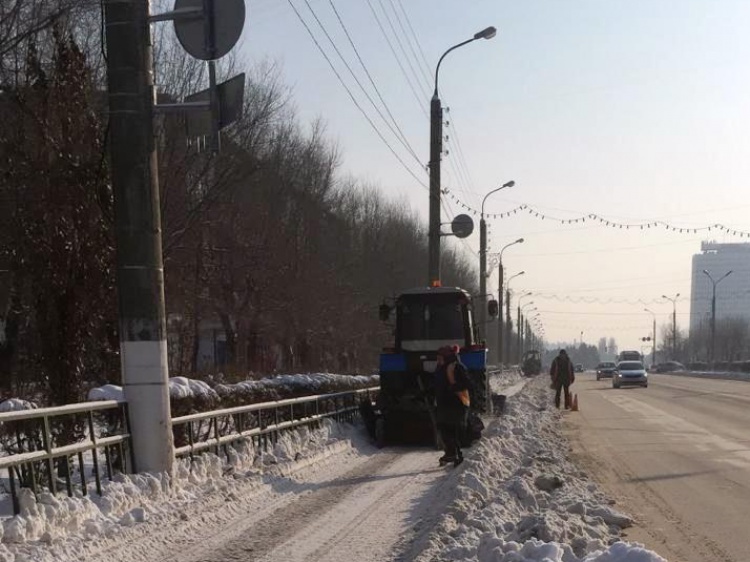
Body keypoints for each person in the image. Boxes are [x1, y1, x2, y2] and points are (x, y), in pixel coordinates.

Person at [433, 345, 471, 466]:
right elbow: (438, 384)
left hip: (457, 403)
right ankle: (451, 453)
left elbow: (467, 383)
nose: (438, 360)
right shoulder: (440, 368)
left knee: (454, 429)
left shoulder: (457, 367)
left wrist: (453, 388)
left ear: (446, 357)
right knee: (444, 428)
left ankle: (458, 455)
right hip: (444, 403)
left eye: (440, 357)